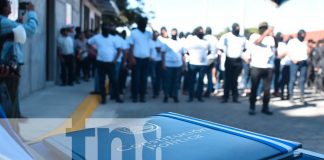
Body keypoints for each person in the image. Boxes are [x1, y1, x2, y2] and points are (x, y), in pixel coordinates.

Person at [0, 0, 38, 118]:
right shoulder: (3, 22)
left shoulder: (5, 22)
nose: (11, 6)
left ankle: (15, 115)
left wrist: (17, 25)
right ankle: (11, 122)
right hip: (7, 65)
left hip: (8, 63)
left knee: (13, 93)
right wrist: (32, 13)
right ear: (3, 7)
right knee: (9, 94)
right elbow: (31, 30)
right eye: (8, 4)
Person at [87, 24, 123, 104]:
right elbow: (88, 43)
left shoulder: (113, 39)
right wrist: (93, 52)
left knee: (114, 81)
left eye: (107, 30)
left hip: (110, 63)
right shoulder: (97, 37)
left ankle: (117, 97)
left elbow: (119, 50)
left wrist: (115, 60)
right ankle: (103, 99)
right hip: (100, 62)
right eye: (105, 29)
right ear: (102, 30)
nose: (106, 31)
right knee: (101, 81)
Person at [246, 22, 275, 115]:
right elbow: (257, 42)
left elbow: (275, 46)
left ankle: (265, 107)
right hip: (256, 66)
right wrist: (266, 32)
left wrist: (272, 34)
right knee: (254, 88)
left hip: (268, 67)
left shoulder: (270, 38)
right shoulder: (254, 36)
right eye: (263, 28)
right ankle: (252, 107)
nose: (264, 29)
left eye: (265, 28)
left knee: (267, 90)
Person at [218, 23, 247, 103]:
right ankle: (225, 97)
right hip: (229, 60)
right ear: (232, 29)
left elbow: (245, 48)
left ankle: (235, 98)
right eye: (236, 29)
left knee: (235, 80)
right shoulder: (226, 36)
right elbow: (220, 47)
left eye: (238, 29)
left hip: (238, 61)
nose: (237, 31)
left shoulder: (242, 37)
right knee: (227, 80)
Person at [185, 26, 213, 102]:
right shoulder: (191, 39)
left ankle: (199, 96)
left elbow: (210, 51)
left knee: (200, 81)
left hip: (203, 64)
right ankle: (191, 96)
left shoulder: (206, 41)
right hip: (193, 63)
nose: (202, 32)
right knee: (192, 80)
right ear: (197, 32)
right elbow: (186, 50)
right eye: (200, 31)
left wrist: (204, 57)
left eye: (202, 31)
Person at [128, 17, 152, 103]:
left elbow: (156, 36)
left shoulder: (148, 33)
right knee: (135, 79)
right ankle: (135, 96)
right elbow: (130, 47)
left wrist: (151, 26)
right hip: (136, 59)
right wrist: (132, 58)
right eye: (143, 23)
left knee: (143, 79)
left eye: (146, 23)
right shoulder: (134, 33)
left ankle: (142, 96)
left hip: (146, 59)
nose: (144, 25)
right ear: (139, 23)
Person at [161, 31, 185, 103]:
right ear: (171, 34)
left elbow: (183, 55)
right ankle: (166, 96)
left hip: (178, 65)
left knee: (176, 81)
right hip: (168, 65)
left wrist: (184, 65)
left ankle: (175, 96)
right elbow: (162, 53)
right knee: (167, 81)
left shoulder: (180, 43)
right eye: (173, 33)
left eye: (175, 33)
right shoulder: (167, 42)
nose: (174, 34)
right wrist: (163, 64)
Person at [286, 30, 308, 103]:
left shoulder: (304, 42)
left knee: (302, 80)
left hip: (303, 62)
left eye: (304, 35)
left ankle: (302, 96)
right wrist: (293, 59)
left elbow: (307, 52)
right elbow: (288, 51)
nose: (303, 37)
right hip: (295, 62)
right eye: (302, 35)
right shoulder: (292, 41)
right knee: (292, 79)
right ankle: (291, 96)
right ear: (298, 35)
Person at [203, 27, 218, 97]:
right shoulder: (214, 38)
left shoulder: (204, 37)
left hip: (205, 59)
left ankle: (201, 90)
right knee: (210, 75)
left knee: (201, 75)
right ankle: (209, 89)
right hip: (213, 58)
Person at [149, 30, 163, 98]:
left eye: (157, 35)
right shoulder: (149, 42)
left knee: (158, 77)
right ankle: (155, 92)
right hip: (152, 61)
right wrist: (150, 58)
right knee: (153, 77)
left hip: (159, 61)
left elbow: (163, 51)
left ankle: (157, 90)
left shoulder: (160, 42)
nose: (155, 36)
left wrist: (159, 50)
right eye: (154, 35)